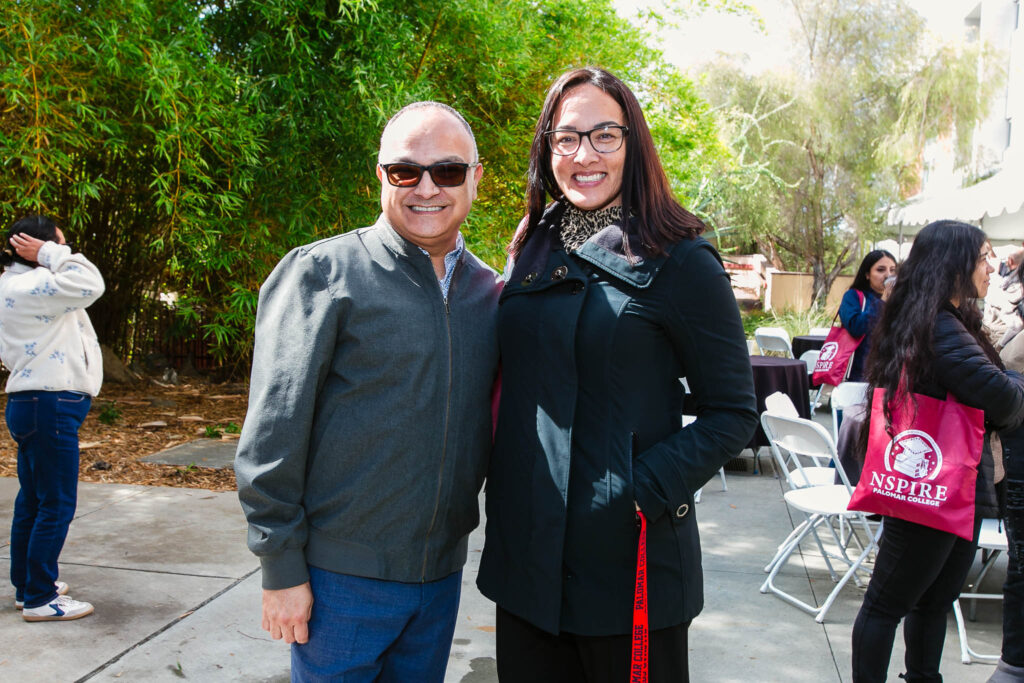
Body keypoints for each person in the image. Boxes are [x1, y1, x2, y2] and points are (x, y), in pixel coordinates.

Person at [477, 66, 757, 683]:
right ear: (546, 148)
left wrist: (636, 490)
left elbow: (734, 414)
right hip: (526, 560)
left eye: (605, 135)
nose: (585, 155)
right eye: (566, 138)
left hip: (629, 562)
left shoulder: (683, 258)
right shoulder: (532, 245)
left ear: (634, 143)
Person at [234, 101, 500, 682]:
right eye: (407, 171)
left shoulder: (492, 294)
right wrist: (281, 567)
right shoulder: (321, 274)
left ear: (475, 178)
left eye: (448, 171)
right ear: (381, 177)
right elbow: (272, 436)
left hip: (439, 581)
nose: (426, 187)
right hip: (339, 583)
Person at [850, 220, 1024, 682]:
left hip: (957, 486)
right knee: (886, 604)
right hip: (931, 487)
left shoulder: (947, 318)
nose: (992, 266)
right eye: (983, 256)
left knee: (933, 602)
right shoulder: (938, 326)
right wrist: (1013, 387)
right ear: (953, 264)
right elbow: (1004, 401)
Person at [1, 215, 104, 622]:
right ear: (34, 248)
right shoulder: (33, 284)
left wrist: (44, 253)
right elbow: (91, 282)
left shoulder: (18, 285)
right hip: (50, 406)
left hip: (36, 405)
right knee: (56, 503)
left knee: (35, 499)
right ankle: (42, 598)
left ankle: (28, 587)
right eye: (62, 245)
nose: (68, 253)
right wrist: (48, 252)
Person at [838, 250, 896, 382]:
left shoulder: (899, 300)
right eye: (881, 270)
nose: (888, 275)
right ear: (867, 274)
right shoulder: (853, 296)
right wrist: (883, 301)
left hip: (889, 374)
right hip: (859, 375)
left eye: (893, 270)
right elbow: (856, 327)